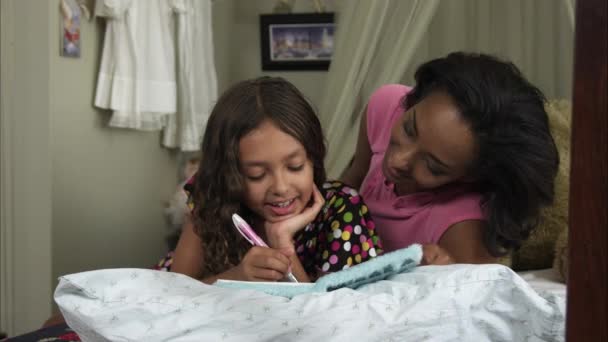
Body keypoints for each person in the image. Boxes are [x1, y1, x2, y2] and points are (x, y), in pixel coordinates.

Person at [341, 52, 559, 263]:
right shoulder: (387, 106)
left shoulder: (463, 231)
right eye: (408, 128)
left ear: (471, 176)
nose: (398, 161)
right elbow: (352, 179)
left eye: (432, 166)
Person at [168, 76, 384, 283]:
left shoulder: (343, 210)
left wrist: (282, 243)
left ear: (313, 160)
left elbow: (330, 312)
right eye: (257, 175)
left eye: (295, 167)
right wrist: (237, 276)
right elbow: (177, 289)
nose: (280, 188)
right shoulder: (214, 196)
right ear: (229, 175)